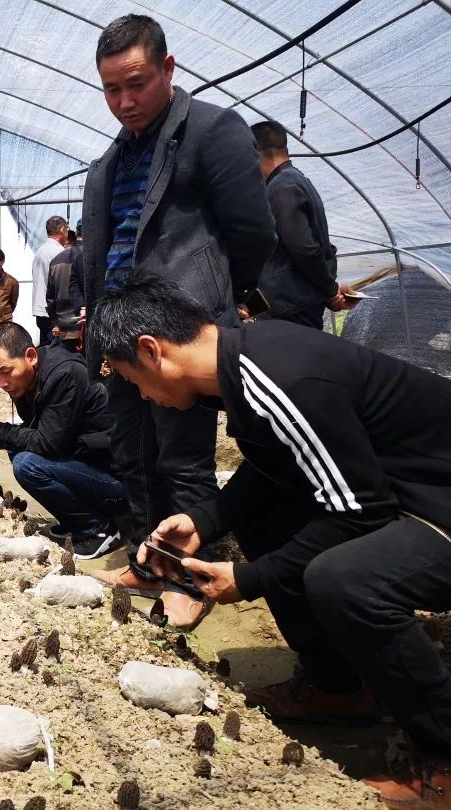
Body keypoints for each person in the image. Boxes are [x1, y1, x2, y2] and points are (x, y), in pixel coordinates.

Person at [88, 278, 451, 809]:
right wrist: (204, 520)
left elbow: (360, 510)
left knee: (346, 581)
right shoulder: (248, 364)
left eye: (133, 380)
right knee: (268, 518)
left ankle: (441, 758)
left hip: (436, 503)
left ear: (151, 350)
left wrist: (250, 579)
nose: (143, 396)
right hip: (408, 493)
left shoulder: (279, 376)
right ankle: (339, 687)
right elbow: (277, 473)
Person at [77, 14, 277, 629]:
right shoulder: (111, 160)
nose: (124, 101)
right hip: (120, 332)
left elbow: (251, 233)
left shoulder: (212, 131)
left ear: (167, 67)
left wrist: (210, 304)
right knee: (131, 451)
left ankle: (193, 573)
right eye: (111, 89)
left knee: (183, 456)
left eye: (135, 84)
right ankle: (147, 558)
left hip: (177, 330)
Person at [0, 322, 126, 558]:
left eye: (6, 371)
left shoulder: (64, 374)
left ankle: (97, 529)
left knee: (26, 464)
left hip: (118, 481)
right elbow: (45, 431)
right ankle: (78, 518)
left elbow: (49, 443)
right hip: (88, 462)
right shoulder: (29, 380)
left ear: (30, 356)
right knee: (17, 450)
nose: (2, 383)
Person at [250, 120, 355, 328]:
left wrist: (330, 290)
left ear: (256, 153)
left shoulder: (283, 187)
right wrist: (329, 289)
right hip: (300, 303)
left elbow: (304, 248)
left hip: (291, 308)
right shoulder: (297, 181)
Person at [30, 216, 68, 345]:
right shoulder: (59, 252)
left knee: (46, 348)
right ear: (62, 230)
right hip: (53, 312)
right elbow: (62, 284)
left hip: (41, 310)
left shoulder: (40, 251)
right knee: (56, 350)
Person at [47, 220, 83, 352]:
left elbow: (50, 298)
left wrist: (57, 321)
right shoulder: (93, 257)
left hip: (64, 328)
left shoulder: (57, 260)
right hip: (86, 326)